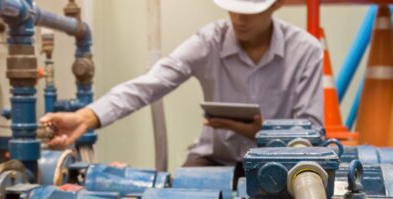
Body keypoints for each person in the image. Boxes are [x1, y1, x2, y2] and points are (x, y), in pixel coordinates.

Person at [40, 0, 323, 167]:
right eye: (233, 9)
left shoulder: (305, 50)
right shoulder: (209, 41)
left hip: (280, 160)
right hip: (213, 161)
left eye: (248, 11)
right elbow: (151, 83)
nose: (238, 18)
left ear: (277, 4)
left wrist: (264, 132)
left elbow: (312, 129)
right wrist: (86, 117)